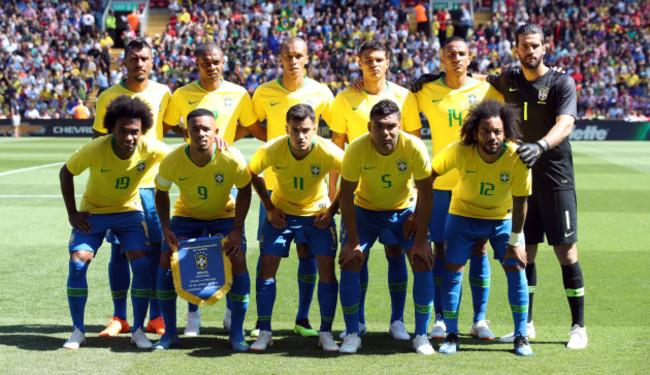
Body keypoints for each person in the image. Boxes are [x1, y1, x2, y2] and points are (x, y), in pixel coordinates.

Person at [486, 24, 587, 349]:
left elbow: (566, 122)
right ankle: (526, 324)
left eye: (535, 45)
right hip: (521, 181)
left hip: (556, 178)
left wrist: (541, 146)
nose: (530, 51)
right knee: (523, 253)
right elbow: (470, 83)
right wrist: (430, 80)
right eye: (524, 46)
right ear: (516, 49)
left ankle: (578, 327)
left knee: (565, 251)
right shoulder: (508, 80)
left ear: (544, 47)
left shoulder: (561, 81)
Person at [162, 41, 264, 335]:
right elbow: (168, 124)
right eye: (206, 61)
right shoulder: (182, 94)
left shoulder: (239, 93)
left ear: (224, 62)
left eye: (216, 61)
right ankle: (193, 313)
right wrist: (191, 137)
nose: (211, 66)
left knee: (231, 252)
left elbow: (253, 127)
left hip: (225, 176)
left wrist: (227, 140)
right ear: (198, 63)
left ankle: (233, 314)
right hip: (193, 177)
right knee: (190, 252)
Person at [60, 95, 169, 349]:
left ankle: (139, 329)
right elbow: (66, 172)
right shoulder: (96, 148)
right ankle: (77, 331)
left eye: (135, 132)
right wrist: (72, 213)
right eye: (123, 131)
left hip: (129, 212)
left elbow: (183, 155)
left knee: (142, 265)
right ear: (112, 129)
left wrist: (220, 146)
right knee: (78, 263)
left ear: (142, 131)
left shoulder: (150, 147)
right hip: (93, 213)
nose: (129, 137)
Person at [413, 36, 504, 340]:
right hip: (440, 184)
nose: (456, 58)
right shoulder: (425, 90)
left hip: (475, 185)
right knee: (439, 250)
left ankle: (479, 320)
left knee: (479, 249)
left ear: (470, 57)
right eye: (451, 53)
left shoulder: (486, 90)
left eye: (462, 53)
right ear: (442, 57)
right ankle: (441, 318)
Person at [330, 40, 422, 341]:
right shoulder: (345, 98)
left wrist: (417, 199)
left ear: (388, 62)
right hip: (359, 193)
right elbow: (336, 148)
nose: (373, 64)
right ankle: (357, 322)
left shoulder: (405, 97)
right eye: (367, 60)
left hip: (398, 194)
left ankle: (397, 321)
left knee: (396, 252)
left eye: (379, 59)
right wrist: (333, 198)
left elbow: (414, 144)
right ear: (359, 62)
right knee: (358, 255)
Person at [432, 99, 533, 356]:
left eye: (497, 131)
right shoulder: (460, 150)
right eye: (485, 131)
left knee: (516, 268)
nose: (492, 137)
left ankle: (521, 336)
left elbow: (521, 202)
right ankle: (452, 336)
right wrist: (414, 200)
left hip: (501, 219)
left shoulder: (517, 156)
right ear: (475, 132)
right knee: (452, 271)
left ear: (506, 132)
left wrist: (515, 240)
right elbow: (429, 173)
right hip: (463, 216)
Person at [250, 36, 334, 338]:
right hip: (272, 188)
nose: (293, 60)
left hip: (310, 189)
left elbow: (336, 128)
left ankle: (302, 319)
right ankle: (263, 321)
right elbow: (253, 125)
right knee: (267, 254)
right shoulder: (264, 92)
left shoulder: (322, 93)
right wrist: (275, 145)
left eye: (299, 55)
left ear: (307, 58)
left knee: (307, 254)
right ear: (280, 59)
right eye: (288, 56)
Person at [337, 99, 434, 355]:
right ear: (369, 127)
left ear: (399, 126)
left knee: (422, 260)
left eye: (391, 126)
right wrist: (353, 241)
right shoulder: (357, 148)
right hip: (365, 210)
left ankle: (420, 334)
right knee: (351, 260)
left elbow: (427, 193)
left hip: (403, 211)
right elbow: (345, 196)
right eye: (378, 126)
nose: (385, 132)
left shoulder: (413, 146)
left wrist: (422, 240)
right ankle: (353, 333)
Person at [153, 108, 252, 351]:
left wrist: (237, 229)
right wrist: (166, 228)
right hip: (187, 217)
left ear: (215, 131)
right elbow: (161, 192)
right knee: (167, 258)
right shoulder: (173, 160)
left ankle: (236, 333)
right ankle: (169, 335)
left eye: (206, 128)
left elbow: (246, 189)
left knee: (237, 257)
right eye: (195, 129)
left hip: (224, 216)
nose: (201, 133)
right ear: (186, 133)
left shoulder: (231, 157)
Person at [93, 37, 172, 338]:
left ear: (152, 62)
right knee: (119, 252)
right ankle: (119, 317)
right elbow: (98, 142)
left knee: (155, 251)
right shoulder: (107, 97)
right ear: (123, 61)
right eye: (134, 58)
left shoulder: (164, 93)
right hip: (120, 188)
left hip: (153, 185)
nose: (139, 63)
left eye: (144, 58)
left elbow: (179, 128)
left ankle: (156, 317)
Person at [248, 104, 342, 352]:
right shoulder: (272, 149)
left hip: (316, 215)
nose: (300, 136)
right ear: (286, 128)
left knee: (326, 270)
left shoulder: (327, 150)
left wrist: (331, 210)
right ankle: (265, 332)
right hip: (281, 214)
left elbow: (354, 175)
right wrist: (268, 207)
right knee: (267, 267)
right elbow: (252, 173)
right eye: (295, 130)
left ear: (315, 129)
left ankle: (326, 332)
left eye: (306, 130)